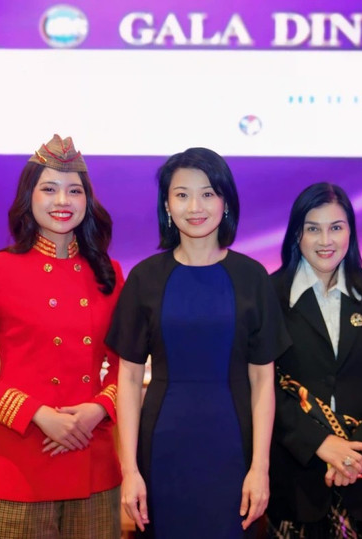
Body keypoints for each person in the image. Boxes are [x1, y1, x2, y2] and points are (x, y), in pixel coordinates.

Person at [0, 134, 124, 537]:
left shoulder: (108, 272)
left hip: (92, 458)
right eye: (50, 189)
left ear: (87, 201)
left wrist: (97, 410)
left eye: (74, 190)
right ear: (30, 196)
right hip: (21, 459)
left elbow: (124, 365)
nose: (63, 201)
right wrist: (37, 415)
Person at [106, 147, 291, 538]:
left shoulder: (252, 276)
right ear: (167, 205)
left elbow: (263, 383)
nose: (195, 206)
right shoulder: (146, 277)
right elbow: (127, 378)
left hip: (234, 447)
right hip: (162, 448)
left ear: (225, 202)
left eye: (208, 193)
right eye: (182, 194)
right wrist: (130, 471)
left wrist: (260, 467)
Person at [266, 183, 362, 538]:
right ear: (296, 234)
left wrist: (355, 454)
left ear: (351, 230)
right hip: (296, 473)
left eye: (336, 227)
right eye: (313, 228)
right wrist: (321, 444)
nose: (325, 240)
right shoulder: (268, 296)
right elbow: (262, 384)